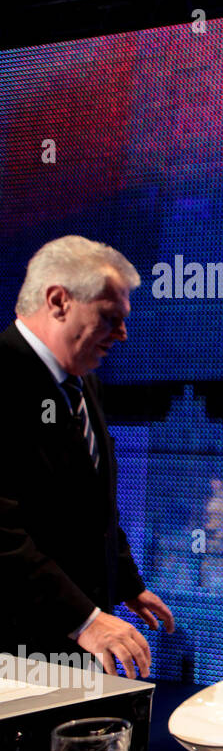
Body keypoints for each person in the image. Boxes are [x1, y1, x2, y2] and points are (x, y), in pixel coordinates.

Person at [0, 235, 175, 676]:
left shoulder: (80, 380)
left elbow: (94, 502)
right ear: (59, 301)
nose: (122, 333)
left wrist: (127, 583)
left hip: (79, 647)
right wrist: (86, 619)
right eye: (110, 318)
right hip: (18, 655)